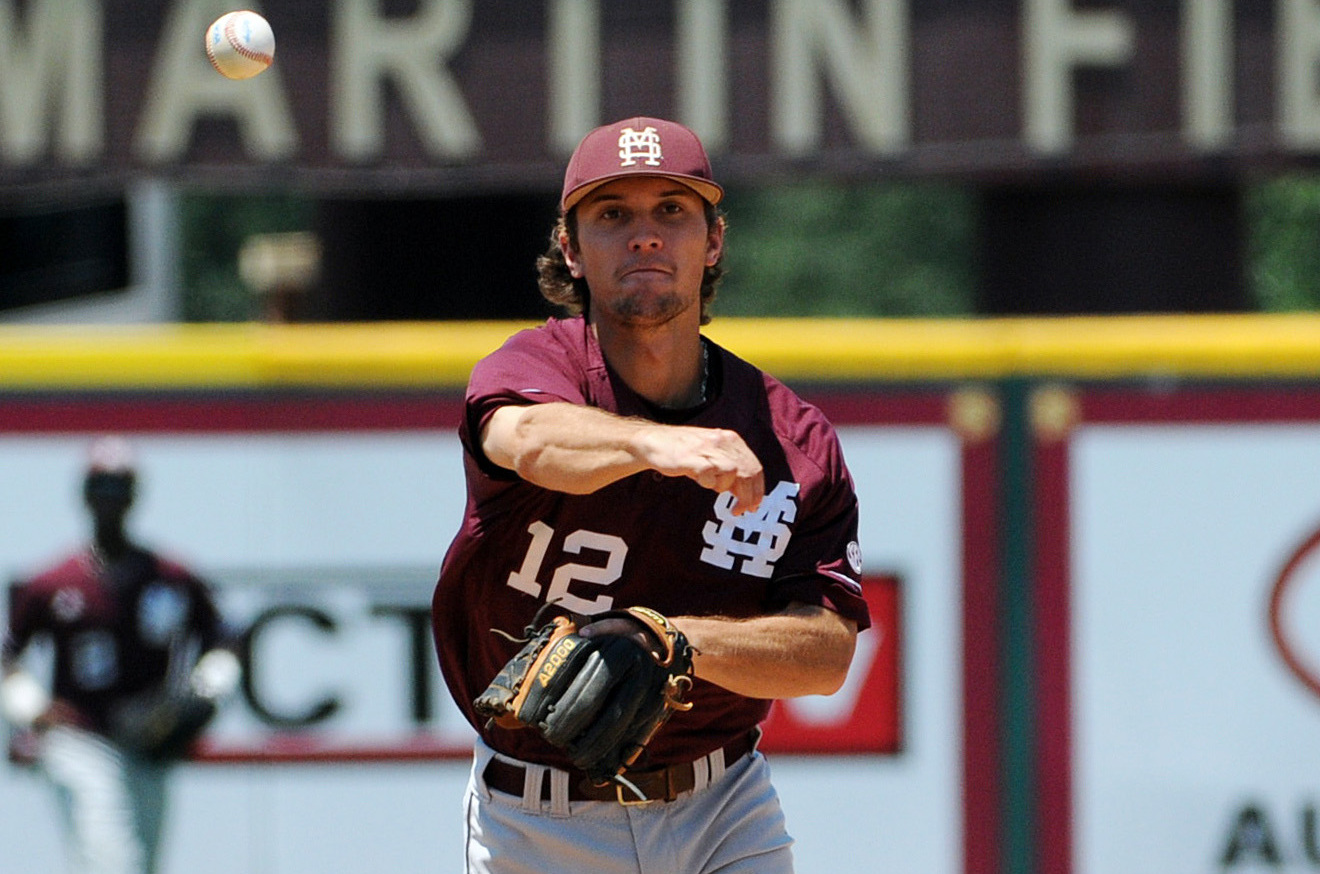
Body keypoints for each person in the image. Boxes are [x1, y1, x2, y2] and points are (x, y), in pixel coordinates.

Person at [431, 116, 871, 873]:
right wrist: (651, 441)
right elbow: (525, 443)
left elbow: (826, 655)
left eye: (672, 209)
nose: (645, 235)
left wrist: (670, 640)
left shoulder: (791, 439)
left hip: (723, 805)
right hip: (541, 824)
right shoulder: (535, 369)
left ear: (714, 241)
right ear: (570, 248)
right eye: (613, 215)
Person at [1, 436, 241, 874]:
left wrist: (203, 694)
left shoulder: (171, 577)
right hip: (81, 737)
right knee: (113, 863)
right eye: (100, 486)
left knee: (143, 865)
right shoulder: (54, 582)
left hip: (150, 739)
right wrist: (31, 707)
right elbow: (8, 656)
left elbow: (223, 641)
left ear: (135, 495)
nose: (110, 497)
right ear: (84, 496)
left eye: (119, 486)